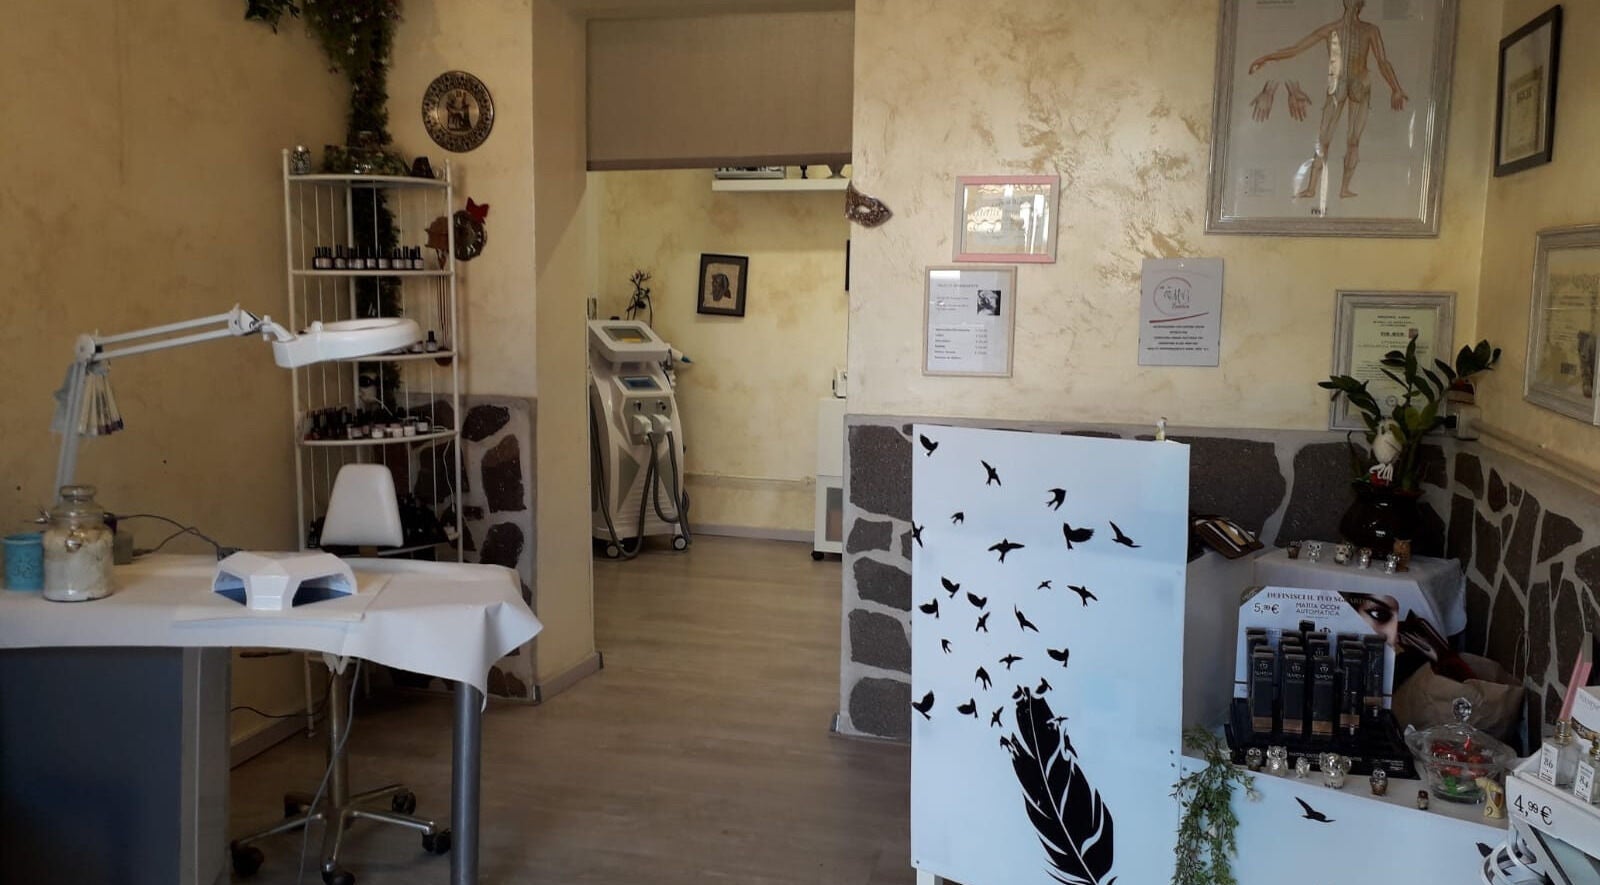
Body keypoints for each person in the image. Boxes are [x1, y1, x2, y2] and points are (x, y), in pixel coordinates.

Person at [1248, 0, 1408, 199]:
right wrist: (1265, 58)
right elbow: (1295, 49)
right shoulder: (1338, 29)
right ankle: (1314, 189)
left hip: (1357, 84)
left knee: (1350, 141)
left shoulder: (1365, 30)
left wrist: (1396, 88)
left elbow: (1383, 62)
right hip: (1341, 85)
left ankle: (1339, 189)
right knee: (1325, 140)